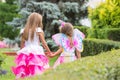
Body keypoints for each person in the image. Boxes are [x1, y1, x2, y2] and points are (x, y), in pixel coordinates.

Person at [12, 12, 52, 79]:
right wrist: (49, 51)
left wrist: (22, 53)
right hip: (36, 51)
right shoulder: (39, 30)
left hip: (26, 51)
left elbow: (22, 44)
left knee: (26, 68)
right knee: (36, 66)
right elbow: (44, 43)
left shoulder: (24, 30)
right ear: (38, 21)